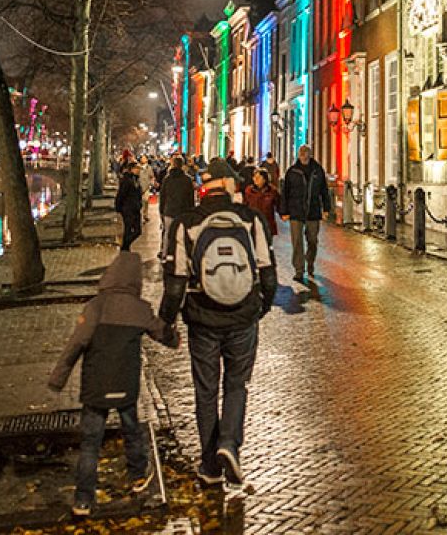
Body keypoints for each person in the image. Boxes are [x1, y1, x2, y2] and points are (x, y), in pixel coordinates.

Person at [159, 158, 276, 487]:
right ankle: (229, 445)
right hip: (242, 316)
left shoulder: (186, 223)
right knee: (237, 385)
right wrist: (259, 307)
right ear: (227, 186)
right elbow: (268, 273)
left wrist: (165, 323)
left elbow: (175, 282)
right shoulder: (250, 220)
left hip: (202, 317)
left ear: (203, 188)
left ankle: (210, 465)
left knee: (206, 390)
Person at [48, 251, 177, 517]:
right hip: (126, 386)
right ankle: (138, 476)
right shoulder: (139, 309)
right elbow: (161, 331)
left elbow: (77, 343)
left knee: (90, 442)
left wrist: (58, 378)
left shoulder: (95, 307)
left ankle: (83, 498)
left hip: (95, 386)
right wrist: (174, 337)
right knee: (132, 431)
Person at [281, 145, 332, 284]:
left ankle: (310, 262)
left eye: (306, 153)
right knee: (297, 241)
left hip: (313, 211)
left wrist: (326, 208)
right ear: (298, 155)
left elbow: (324, 190)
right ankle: (298, 269)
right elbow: (285, 192)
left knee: (313, 240)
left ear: (310, 155)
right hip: (295, 211)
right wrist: (284, 211)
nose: (304, 156)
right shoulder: (292, 171)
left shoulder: (317, 170)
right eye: (302, 153)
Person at [157, 155, 196, 253]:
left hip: (169, 211)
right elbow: (191, 198)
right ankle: (180, 254)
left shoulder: (167, 179)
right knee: (181, 234)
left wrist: (161, 211)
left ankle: (165, 253)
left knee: (167, 233)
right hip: (183, 211)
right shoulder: (187, 180)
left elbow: (162, 196)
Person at [115, 163, 145, 252]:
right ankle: (125, 247)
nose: (139, 170)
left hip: (136, 208)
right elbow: (121, 194)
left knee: (137, 231)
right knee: (128, 228)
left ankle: (125, 245)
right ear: (131, 169)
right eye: (137, 168)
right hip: (128, 208)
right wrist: (118, 207)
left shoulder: (136, 180)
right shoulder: (126, 180)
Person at [243, 168, 281, 238]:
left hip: (267, 224)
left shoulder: (272, 191)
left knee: (267, 246)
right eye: (254, 177)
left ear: (264, 179)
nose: (255, 179)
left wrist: (284, 213)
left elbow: (279, 205)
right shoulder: (249, 190)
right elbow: (244, 205)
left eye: (258, 177)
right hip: (253, 223)